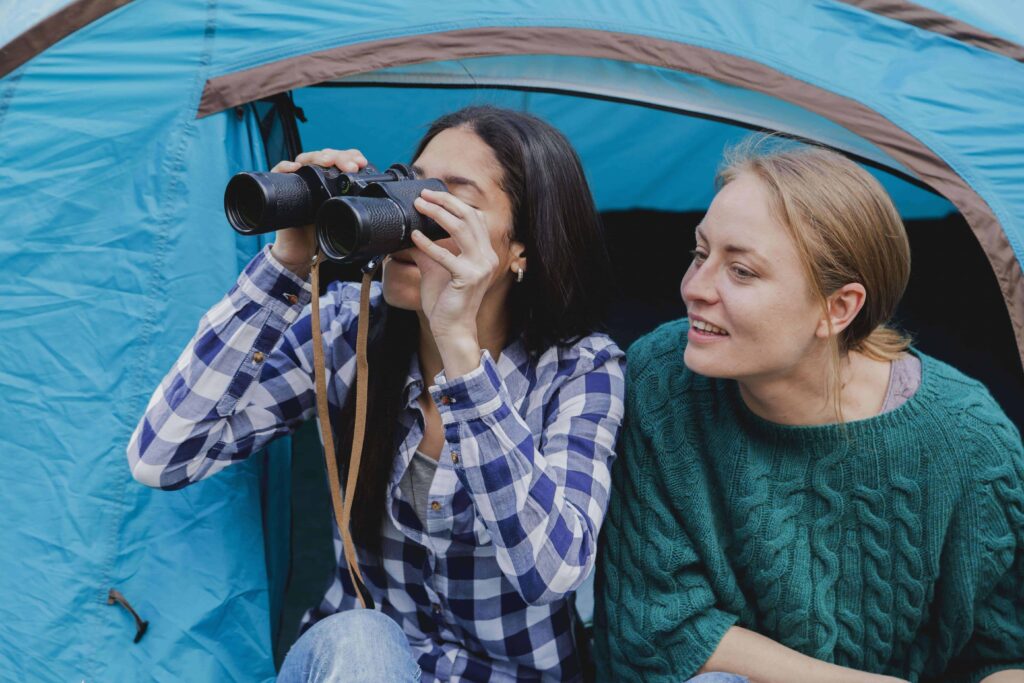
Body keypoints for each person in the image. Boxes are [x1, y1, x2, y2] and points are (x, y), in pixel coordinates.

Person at [127, 105, 627, 681]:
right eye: (409, 185)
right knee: (360, 636)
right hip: (361, 668)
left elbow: (553, 571)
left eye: (446, 198)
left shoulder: (580, 370)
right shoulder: (345, 331)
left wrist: (460, 352)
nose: (409, 217)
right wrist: (288, 264)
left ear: (523, 249)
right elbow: (160, 457)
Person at [593, 138, 1024, 683]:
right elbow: (660, 627)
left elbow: (1004, 650)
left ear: (838, 308)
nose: (694, 289)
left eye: (742, 271)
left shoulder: (970, 441)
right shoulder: (659, 381)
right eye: (701, 254)